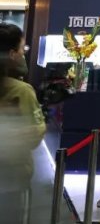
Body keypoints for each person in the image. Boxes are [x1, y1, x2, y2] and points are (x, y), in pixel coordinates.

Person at [0, 23, 46, 220]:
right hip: (13, 179)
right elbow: (35, 135)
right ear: (12, 54)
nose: (23, 53)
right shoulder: (21, 90)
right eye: (22, 49)